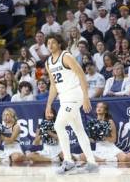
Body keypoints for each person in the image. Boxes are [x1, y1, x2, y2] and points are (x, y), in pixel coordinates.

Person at [42, 34, 98, 174]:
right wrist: (49, 104)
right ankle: (92, 162)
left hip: (74, 94)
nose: (50, 45)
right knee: (78, 129)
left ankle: (68, 161)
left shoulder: (66, 56)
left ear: (59, 44)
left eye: (53, 42)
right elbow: (53, 85)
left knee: (58, 125)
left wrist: (86, 97)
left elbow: (81, 75)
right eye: (48, 43)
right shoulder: (48, 62)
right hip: (64, 97)